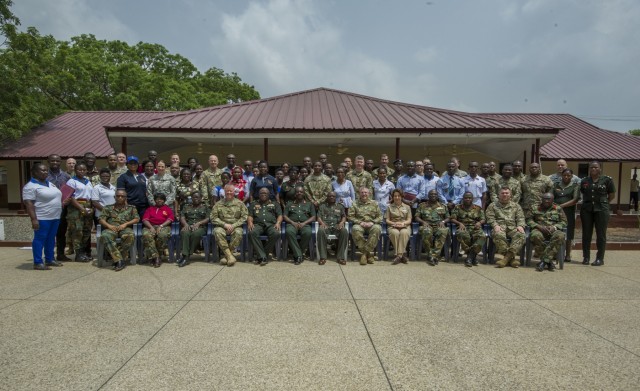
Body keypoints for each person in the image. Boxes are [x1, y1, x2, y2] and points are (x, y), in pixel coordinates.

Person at [23, 163, 63, 270]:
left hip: (55, 217)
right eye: (42, 170)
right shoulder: (30, 186)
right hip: (42, 218)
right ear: (35, 172)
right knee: (40, 239)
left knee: (51, 239)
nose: (45, 172)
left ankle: (50, 259)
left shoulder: (49, 184)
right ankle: (37, 262)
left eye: (46, 170)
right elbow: (29, 203)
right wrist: (34, 219)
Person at [580, 161, 616, 266]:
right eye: (591, 167)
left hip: (601, 210)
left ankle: (600, 258)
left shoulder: (607, 180)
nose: (593, 169)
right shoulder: (584, 181)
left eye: (596, 167)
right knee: (586, 234)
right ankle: (586, 257)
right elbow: (583, 193)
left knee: (601, 234)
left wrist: (603, 204)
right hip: (587, 210)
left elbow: (612, 195)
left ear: (600, 169)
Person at [98, 189, 139, 271]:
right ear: (114, 197)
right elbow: (101, 219)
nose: (120, 198)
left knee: (130, 235)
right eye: (118, 196)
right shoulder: (108, 208)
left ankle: (118, 259)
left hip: (125, 228)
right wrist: (109, 226)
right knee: (105, 236)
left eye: (122, 196)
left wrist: (126, 224)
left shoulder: (131, 208)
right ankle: (119, 260)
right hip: (111, 228)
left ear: (125, 198)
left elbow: (137, 218)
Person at [485, 187, 526, 268]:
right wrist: (495, 225)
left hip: (512, 228)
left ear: (510, 195)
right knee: (498, 235)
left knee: (521, 235)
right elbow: (490, 217)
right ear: (498, 195)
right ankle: (511, 259)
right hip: (499, 227)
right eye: (502, 193)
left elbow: (520, 218)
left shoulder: (516, 206)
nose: (505, 195)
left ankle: (505, 259)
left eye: (507, 193)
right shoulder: (493, 205)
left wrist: (520, 225)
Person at [527, 193, 567, 272]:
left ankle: (543, 262)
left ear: (552, 200)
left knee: (560, 236)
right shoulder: (534, 207)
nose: (546, 201)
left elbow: (564, 221)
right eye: (545, 199)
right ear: (542, 199)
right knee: (535, 236)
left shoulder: (558, 208)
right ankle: (549, 262)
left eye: (549, 199)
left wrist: (554, 227)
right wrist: (539, 227)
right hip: (539, 229)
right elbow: (528, 220)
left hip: (554, 230)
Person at [210, 184, 248, 266]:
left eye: (231, 191)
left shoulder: (240, 204)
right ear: (224, 192)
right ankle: (230, 256)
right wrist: (224, 225)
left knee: (238, 233)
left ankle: (227, 256)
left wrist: (234, 225)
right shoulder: (218, 204)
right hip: (222, 226)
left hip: (236, 226)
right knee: (217, 231)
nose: (229, 192)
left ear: (234, 192)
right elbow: (213, 218)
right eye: (227, 191)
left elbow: (244, 217)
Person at [66, 161, 95, 262]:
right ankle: (78, 254)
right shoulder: (71, 181)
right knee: (77, 231)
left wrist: (91, 208)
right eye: (79, 169)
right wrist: (81, 208)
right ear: (75, 170)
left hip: (88, 206)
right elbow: (70, 197)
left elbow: (91, 196)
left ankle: (83, 252)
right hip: (76, 208)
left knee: (86, 230)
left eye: (84, 169)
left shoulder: (88, 181)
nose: (82, 171)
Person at [247, 187, 282, 266]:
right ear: (258, 195)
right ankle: (263, 256)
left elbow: (280, 215)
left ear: (269, 195)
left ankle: (262, 256)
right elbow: (250, 215)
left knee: (276, 233)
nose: (263, 194)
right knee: (252, 232)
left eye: (265, 193)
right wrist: (250, 222)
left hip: (270, 225)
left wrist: (278, 223)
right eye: (261, 193)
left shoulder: (275, 204)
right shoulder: (253, 204)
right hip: (258, 225)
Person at [46, 154, 71, 262]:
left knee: (61, 232)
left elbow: (71, 192)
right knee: (49, 233)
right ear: (48, 162)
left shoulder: (66, 176)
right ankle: (49, 256)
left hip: (63, 208)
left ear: (60, 162)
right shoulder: (44, 175)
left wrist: (68, 199)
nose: (55, 163)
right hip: (48, 208)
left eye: (57, 161)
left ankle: (60, 254)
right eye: (52, 161)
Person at [450, 192, 486, 267]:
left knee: (482, 236)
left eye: (469, 198)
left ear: (472, 199)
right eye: (466, 198)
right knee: (462, 234)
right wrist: (459, 223)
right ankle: (472, 256)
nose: (467, 199)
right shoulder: (458, 207)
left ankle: (470, 256)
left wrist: (479, 223)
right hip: (463, 227)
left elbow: (483, 219)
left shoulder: (478, 208)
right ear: (463, 199)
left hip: (475, 227)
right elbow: (452, 218)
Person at [415, 189, 449, 266]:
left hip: (439, 225)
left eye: (435, 194)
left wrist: (443, 222)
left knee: (443, 231)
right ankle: (433, 256)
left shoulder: (443, 206)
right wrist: (423, 222)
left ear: (437, 196)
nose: (433, 196)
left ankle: (432, 256)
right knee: (426, 231)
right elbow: (416, 217)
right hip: (427, 225)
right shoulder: (422, 205)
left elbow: (448, 217)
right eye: (431, 194)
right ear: (428, 196)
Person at [348, 187, 382, 265]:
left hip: (372, 224)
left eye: (366, 192)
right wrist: (360, 222)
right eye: (362, 192)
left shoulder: (375, 203)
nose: (364, 194)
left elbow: (380, 216)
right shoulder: (354, 203)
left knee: (377, 229)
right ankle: (368, 254)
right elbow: (350, 216)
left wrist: (373, 222)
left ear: (369, 193)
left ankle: (364, 254)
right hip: (360, 224)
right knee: (355, 229)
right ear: (359, 194)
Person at [283, 185, 316, 265]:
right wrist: (292, 222)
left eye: (301, 192)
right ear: (295, 194)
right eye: (297, 192)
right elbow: (285, 216)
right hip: (292, 224)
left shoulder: (309, 204)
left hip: (305, 224)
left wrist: (304, 223)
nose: (299, 193)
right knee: (289, 231)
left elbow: (314, 217)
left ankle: (297, 254)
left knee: (308, 233)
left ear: (304, 193)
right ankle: (299, 255)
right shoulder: (289, 204)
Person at [553, 168, 580, 262]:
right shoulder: (556, 185)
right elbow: (552, 197)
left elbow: (575, 199)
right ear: (561, 176)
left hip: (568, 213)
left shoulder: (575, 186)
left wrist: (561, 206)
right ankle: (555, 253)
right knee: (556, 231)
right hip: (556, 213)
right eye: (564, 175)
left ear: (572, 176)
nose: (566, 177)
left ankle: (567, 255)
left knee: (568, 233)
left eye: (568, 175)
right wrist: (556, 207)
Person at [177, 191, 210, 267]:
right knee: (185, 233)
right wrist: (185, 224)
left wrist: (199, 223)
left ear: (201, 198)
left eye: (197, 197)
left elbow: (208, 218)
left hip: (200, 227)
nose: (196, 199)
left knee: (195, 234)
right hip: (188, 225)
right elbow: (182, 217)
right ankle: (186, 256)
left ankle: (186, 256)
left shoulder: (205, 207)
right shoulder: (186, 206)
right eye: (194, 197)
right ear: (191, 198)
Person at [141, 192, 174, 267]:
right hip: (150, 226)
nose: (159, 201)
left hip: (164, 226)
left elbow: (170, 219)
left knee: (162, 235)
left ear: (164, 200)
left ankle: (154, 256)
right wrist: (151, 227)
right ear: (155, 200)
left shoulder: (167, 209)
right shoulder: (150, 209)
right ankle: (156, 257)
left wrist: (161, 226)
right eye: (157, 199)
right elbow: (145, 219)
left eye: (161, 199)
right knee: (146, 235)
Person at [316, 191, 349, 265]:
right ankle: (323, 257)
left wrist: (341, 223)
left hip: (336, 227)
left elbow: (344, 216)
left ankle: (340, 257)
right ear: (327, 197)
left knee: (344, 231)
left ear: (335, 198)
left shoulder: (340, 206)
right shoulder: (322, 206)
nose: (331, 197)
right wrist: (322, 223)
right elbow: (318, 217)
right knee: (320, 230)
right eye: (330, 196)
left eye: (333, 196)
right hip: (326, 226)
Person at [385, 189, 412, 265]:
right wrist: (394, 224)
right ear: (392, 197)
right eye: (395, 196)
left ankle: (398, 256)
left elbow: (409, 220)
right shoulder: (389, 207)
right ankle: (402, 255)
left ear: (402, 197)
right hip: (393, 226)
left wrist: (403, 224)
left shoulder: (407, 207)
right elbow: (387, 220)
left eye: (398, 196)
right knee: (395, 233)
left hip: (405, 226)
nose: (397, 197)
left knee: (404, 233)